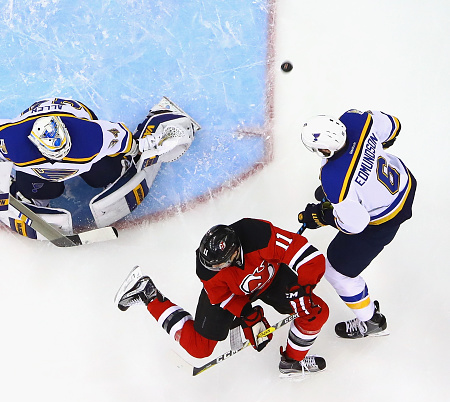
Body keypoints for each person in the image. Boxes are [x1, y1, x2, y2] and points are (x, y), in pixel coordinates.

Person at [115, 219, 330, 376]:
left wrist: (303, 289)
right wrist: (247, 314)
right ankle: (148, 294)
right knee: (199, 348)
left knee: (316, 312)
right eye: (212, 266)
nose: (215, 269)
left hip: (271, 280)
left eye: (220, 265)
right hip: (233, 292)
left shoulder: (258, 234)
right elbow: (222, 297)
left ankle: (291, 362)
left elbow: (310, 257)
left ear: (235, 252)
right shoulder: (207, 270)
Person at [298, 109, 417, 339]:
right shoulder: (357, 119)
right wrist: (368, 160)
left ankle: (371, 322)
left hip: (388, 216)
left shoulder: (335, 181)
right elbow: (394, 127)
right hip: (404, 180)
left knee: (336, 271)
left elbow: (355, 225)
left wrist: (323, 216)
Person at [0, 97, 142, 206]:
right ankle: (34, 196)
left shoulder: (92, 137)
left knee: (105, 175)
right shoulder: (11, 141)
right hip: (31, 121)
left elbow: (122, 136)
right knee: (43, 190)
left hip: (75, 112)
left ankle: (116, 169)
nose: (61, 159)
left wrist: (136, 150)